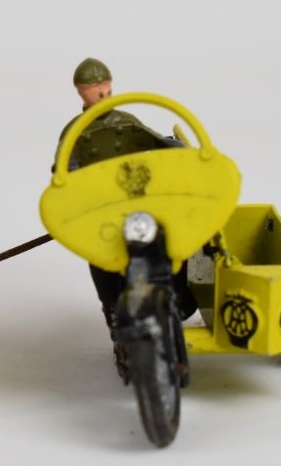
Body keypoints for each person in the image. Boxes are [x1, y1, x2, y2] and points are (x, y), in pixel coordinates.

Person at [58, 58, 194, 381]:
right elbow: (64, 169)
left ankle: (176, 297)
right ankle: (114, 314)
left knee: (172, 241)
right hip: (101, 215)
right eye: (93, 89)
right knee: (102, 257)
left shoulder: (127, 121)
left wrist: (174, 149)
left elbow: (154, 142)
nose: (100, 93)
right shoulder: (73, 132)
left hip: (138, 207)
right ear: (80, 92)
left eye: (103, 87)